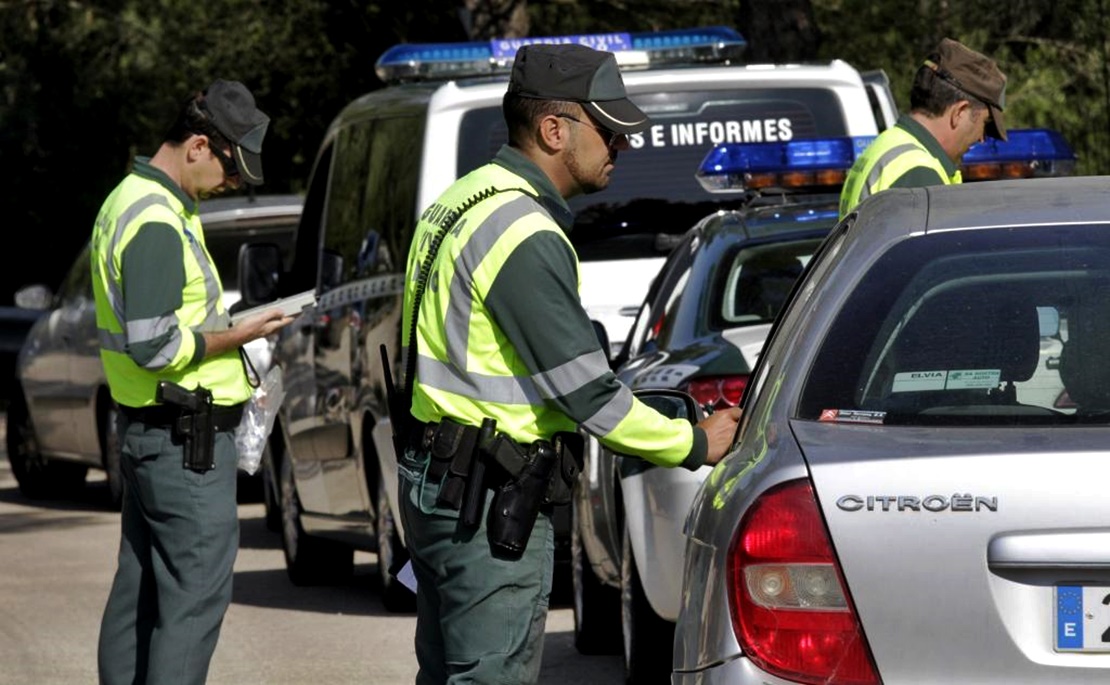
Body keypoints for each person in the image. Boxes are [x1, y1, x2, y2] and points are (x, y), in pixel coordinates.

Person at [396, 43, 742, 684]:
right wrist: (694, 440)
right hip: (487, 498)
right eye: (610, 131)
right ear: (555, 130)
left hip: (437, 481)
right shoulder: (521, 232)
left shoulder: (461, 200)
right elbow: (588, 396)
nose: (623, 147)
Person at [92, 79, 294, 685]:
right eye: (232, 173)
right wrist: (241, 333)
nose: (232, 186)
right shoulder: (155, 219)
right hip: (185, 445)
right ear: (200, 145)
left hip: (154, 435)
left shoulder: (133, 200)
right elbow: (154, 345)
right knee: (192, 603)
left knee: (143, 597)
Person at [839, 37, 1008, 217]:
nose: (982, 138)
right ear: (959, 112)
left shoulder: (888, 144)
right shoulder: (919, 175)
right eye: (985, 123)